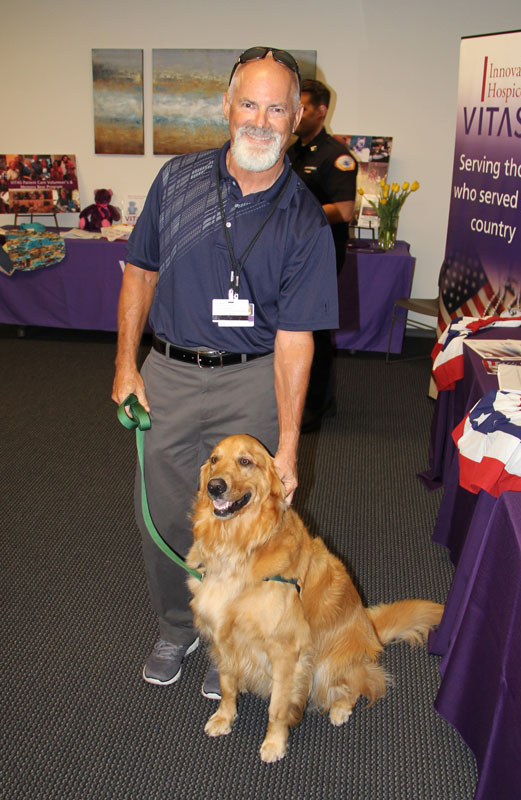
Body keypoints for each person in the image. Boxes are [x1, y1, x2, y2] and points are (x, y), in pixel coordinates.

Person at [111, 47, 338, 693]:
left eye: (276, 107)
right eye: (249, 103)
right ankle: (179, 628)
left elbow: (297, 340)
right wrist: (127, 364)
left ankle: (231, 643)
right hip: (170, 377)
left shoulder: (303, 220)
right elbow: (140, 271)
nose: (260, 120)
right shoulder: (178, 180)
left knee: (245, 528)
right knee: (160, 513)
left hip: (251, 382)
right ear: (226, 107)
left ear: (298, 116)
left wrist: (288, 448)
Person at [287, 79, 357, 432]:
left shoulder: (337, 156)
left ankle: (317, 404)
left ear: (321, 111)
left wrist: (296, 216)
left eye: (303, 108)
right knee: (289, 329)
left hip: (322, 253)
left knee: (313, 331)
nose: (296, 115)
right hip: (291, 253)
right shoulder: (292, 150)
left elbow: (344, 211)